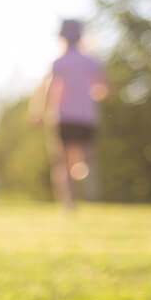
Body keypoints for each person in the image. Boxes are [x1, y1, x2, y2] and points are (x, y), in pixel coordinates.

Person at [29, 19, 108, 212]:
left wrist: (39, 113)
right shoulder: (92, 61)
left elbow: (49, 90)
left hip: (63, 117)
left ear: (62, 38)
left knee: (62, 163)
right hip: (86, 117)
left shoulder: (59, 62)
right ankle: (85, 178)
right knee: (87, 157)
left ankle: (69, 204)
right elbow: (104, 89)